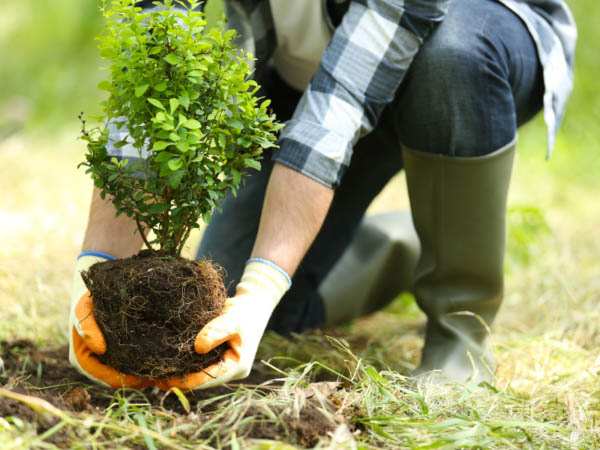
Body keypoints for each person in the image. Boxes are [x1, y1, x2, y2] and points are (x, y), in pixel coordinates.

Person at [69, 0, 576, 389]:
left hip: (467, 46)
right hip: (310, 75)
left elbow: (340, 104)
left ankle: (459, 330)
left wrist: (265, 282)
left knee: (451, 58)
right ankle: (411, 243)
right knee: (238, 309)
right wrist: (95, 272)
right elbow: (156, 64)